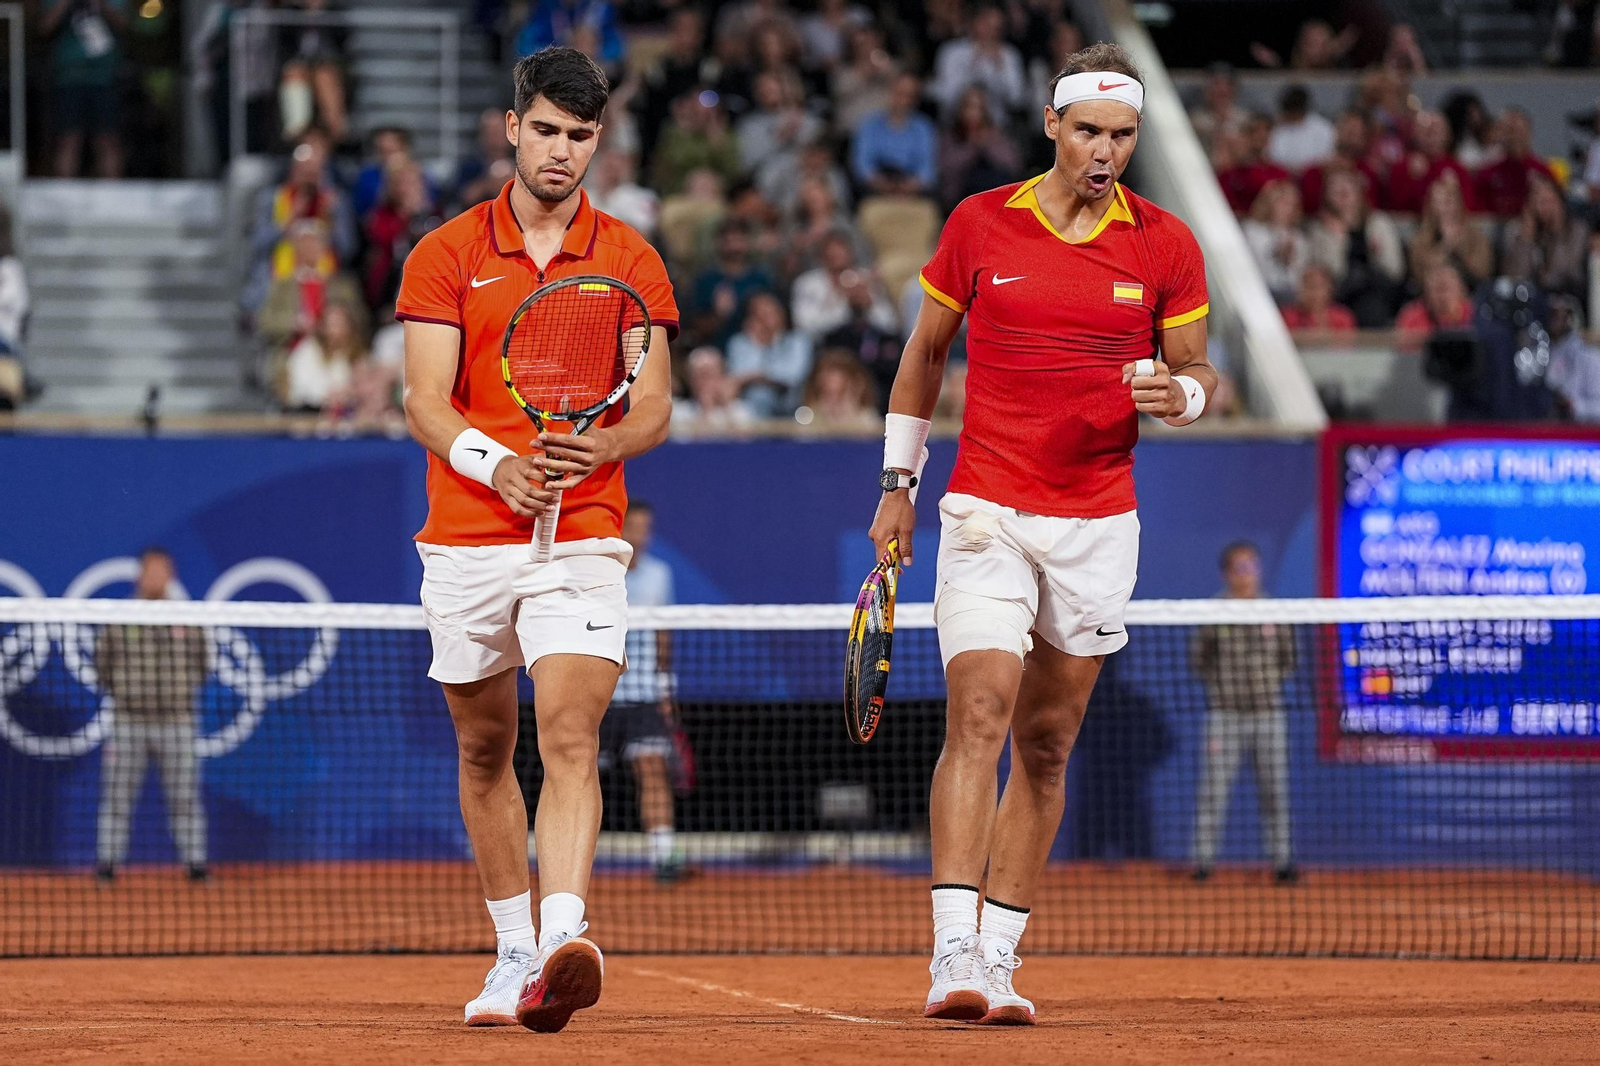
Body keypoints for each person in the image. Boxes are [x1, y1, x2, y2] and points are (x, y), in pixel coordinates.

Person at [868, 43, 1215, 1026]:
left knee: (1049, 745)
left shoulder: (1167, 244)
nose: (1106, 151)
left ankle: (999, 955)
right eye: (1090, 131)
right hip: (987, 509)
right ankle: (951, 951)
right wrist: (898, 485)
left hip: (1098, 522)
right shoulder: (979, 222)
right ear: (1052, 124)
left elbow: (1198, 370)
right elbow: (924, 354)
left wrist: (1180, 394)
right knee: (978, 713)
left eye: (1123, 135)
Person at [398, 47, 678, 1033]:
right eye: (548, 130)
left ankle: (564, 936)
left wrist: (603, 443)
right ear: (513, 128)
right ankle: (513, 950)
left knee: (569, 733)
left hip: (583, 535)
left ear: (599, 140)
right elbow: (424, 400)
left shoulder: (631, 259)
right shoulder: (445, 253)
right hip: (467, 533)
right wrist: (497, 465)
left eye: (581, 135)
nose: (562, 150)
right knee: (485, 749)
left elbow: (653, 405)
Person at [94, 548, 210, 884]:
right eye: (151, 570)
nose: (156, 577)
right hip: (128, 722)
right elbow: (102, 666)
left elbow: (203, 664)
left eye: (163, 571)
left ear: (171, 576)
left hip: (177, 723)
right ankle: (107, 867)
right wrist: (128, 691)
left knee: (185, 798)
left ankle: (196, 867)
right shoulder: (121, 618)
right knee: (116, 798)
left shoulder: (188, 618)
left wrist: (177, 691)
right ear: (140, 575)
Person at [1191, 541, 1298, 884]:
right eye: (1240, 567)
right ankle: (1202, 863)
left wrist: (1266, 684)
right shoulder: (1214, 611)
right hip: (1224, 716)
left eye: (1252, 566)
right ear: (1227, 573)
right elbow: (1199, 660)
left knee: (1275, 791)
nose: (1247, 574)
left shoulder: (1274, 611)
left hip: (1268, 715)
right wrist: (1224, 689)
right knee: (1213, 792)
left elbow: (1289, 660)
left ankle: (1282, 863)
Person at [604, 500, 688, 883]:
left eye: (645, 528)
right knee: (574, 774)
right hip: (597, 692)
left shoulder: (659, 575)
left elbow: (662, 634)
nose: (640, 535)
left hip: (643, 694)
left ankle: (663, 856)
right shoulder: (599, 571)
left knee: (652, 771)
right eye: (633, 527)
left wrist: (664, 688)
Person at [1306, 168, 1404, 327]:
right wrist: (1340, 240)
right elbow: (1331, 275)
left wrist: (1376, 254)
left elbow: (1395, 270)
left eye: (1347, 184)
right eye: (1335, 187)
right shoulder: (1319, 231)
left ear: (1359, 191)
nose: (1342, 190)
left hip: (1380, 291)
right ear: (1326, 196)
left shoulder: (1379, 223)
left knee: (1371, 301)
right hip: (1340, 293)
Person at [42, 0, 127, 178]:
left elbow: (124, 25)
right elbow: (45, 27)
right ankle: (65, 190)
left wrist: (100, 4)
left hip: (104, 77)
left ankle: (112, 190)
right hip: (68, 78)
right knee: (68, 139)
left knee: (107, 139)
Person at [1500, 172, 1588, 298]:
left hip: (1566, 297)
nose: (1545, 207)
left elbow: (1570, 272)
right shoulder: (1514, 230)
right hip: (1525, 298)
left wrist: (1558, 229)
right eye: (1539, 200)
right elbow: (1514, 277)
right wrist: (1526, 237)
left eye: (1549, 200)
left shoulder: (1577, 230)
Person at [725, 290, 813, 416]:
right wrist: (756, 343)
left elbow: (794, 376)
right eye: (758, 315)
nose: (765, 320)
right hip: (751, 400)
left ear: (782, 313)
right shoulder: (739, 342)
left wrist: (758, 376)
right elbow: (737, 374)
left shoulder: (798, 340)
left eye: (769, 313)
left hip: (792, 399)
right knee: (760, 395)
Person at [852, 72, 939, 198]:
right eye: (900, 93)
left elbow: (927, 169)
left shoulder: (924, 128)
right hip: (875, 189)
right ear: (890, 93)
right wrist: (880, 184)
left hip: (913, 190)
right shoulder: (869, 125)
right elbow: (862, 164)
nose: (904, 100)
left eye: (910, 96)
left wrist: (910, 186)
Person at [1408, 173, 1493, 290]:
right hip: (1433, 293)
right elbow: (1419, 273)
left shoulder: (1475, 235)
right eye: (1439, 201)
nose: (1445, 207)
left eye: (1449, 199)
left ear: (1458, 201)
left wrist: (1457, 246)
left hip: (1469, 291)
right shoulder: (1422, 238)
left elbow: (1482, 271)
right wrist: (1444, 246)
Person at [1476, 108, 1554, 218]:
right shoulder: (1489, 172)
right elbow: (1476, 208)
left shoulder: (1541, 171)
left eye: (1519, 130)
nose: (1515, 137)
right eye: (1510, 130)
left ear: (1528, 132)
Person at [1241, 179, 1309, 306]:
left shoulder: (1298, 237)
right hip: (1257, 290)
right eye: (1283, 202)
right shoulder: (1251, 230)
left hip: (1287, 295)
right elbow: (1250, 265)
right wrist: (1275, 252)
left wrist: (1288, 260)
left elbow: (1298, 276)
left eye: (1292, 204)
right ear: (1269, 203)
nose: (1288, 209)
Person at [670, 344, 758, 435]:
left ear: (723, 376)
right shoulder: (680, 412)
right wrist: (705, 411)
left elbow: (745, 441)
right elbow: (687, 442)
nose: (706, 383)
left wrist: (727, 407)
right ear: (690, 380)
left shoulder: (741, 410)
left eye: (710, 375)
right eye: (701, 376)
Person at [1396, 262, 1474, 354]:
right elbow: (1404, 352)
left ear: (1462, 289)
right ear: (1427, 292)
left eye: (1447, 288)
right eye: (1438, 289)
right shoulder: (1412, 317)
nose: (1443, 296)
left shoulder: (1475, 313)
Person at [1548, 295, 1600, 422]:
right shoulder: (1542, 350)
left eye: (1557, 314)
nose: (1552, 320)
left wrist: (1573, 406)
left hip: (1581, 428)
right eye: (1550, 313)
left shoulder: (1589, 356)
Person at [1265, 85, 1334, 173]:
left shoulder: (1323, 128)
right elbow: (1269, 156)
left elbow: (1327, 157)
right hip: (1280, 174)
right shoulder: (1276, 128)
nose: (1291, 116)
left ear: (1301, 110)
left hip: (1313, 174)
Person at [1279, 262, 1356, 334]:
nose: (1314, 293)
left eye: (1319, 287)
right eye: (1309, 286)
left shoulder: (1343, 317)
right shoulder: (1287, 317)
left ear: (1330, 289)